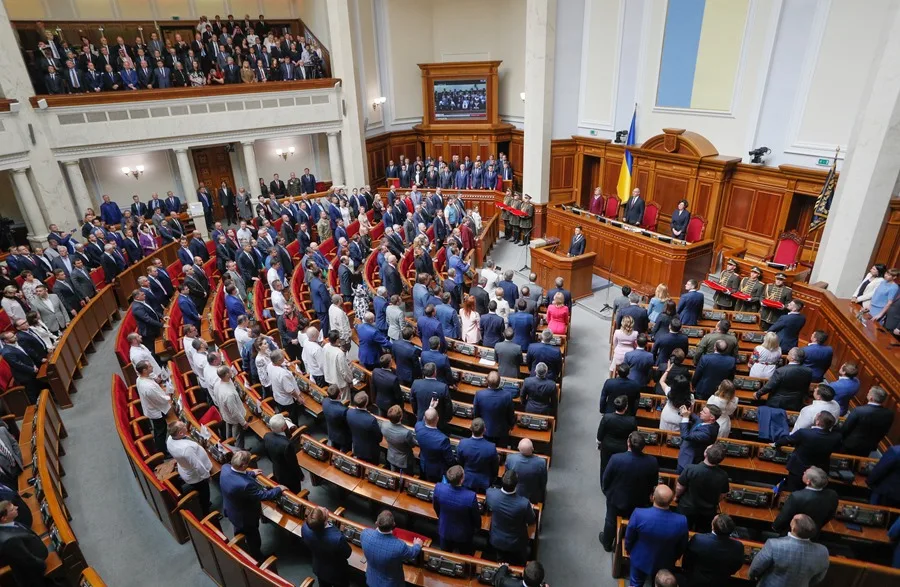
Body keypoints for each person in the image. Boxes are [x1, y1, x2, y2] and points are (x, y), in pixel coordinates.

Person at [219, 450, 285, 561]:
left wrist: (251, 473)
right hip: (245, 517)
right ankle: (258, 558)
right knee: (253, 537)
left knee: (239, 530)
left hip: (231, 510)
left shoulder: (225, 468)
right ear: (243, 465)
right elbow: (262, 495)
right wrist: (279, 489)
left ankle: (241, 543)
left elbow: (236, 475)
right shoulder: (245, 485)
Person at [600, 432, 659, 552]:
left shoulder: (616, 459)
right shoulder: (652, 462)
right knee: (633, 521)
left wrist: (607, 491)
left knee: (611, 520)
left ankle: (607, 542)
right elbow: (654, 482)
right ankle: (628, 541)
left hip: (616, 497)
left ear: (628, 443)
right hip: (639, 498)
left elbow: (606, 478)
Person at [624, 485, 689, 587]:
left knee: (636, 583)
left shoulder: (639, 514)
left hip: (640, 558)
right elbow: (682, 545)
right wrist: (674, 558)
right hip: (665, 561)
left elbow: (629, 537)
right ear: (671, 500)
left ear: (653, 497)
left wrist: (628, 549)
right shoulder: (681, 521)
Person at [748, 514, 829, 587]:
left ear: (793, 527)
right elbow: (818, 578)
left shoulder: (774, 545)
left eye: (793, 518)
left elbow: (755, 569)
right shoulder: (823, 551)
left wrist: (752, 578)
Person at [775, 411, 842, 491]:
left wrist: (776, 444)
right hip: (819, 470)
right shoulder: (837, 437)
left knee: (793, 490)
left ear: (817, 422)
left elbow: (788, 439)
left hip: (798, 468)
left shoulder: (804, 432)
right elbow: (837, 448)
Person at [360, 510, 424, 587]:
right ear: (394, 524)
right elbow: (412, 554)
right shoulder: (399, 546)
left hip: (371, 579)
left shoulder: (365, 533)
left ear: (376, 523)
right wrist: (417, 545)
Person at [486, 470, 536, 566]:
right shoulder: (524, 504)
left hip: (497, 539)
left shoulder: (490, 494)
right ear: (517, 484)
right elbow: (531, 522)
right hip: (516, 543)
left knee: (500, 561)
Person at [676, 443, 730, 531]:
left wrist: (676, 497)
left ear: (705, 453)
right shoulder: (723, 475)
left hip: (687, 508)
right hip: (707, 512)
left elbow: (679, 487)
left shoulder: (691, 469)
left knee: (681, 531)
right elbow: (722, 495)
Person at [772, 466, 838, 537]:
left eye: (805, 473)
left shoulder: (797, 497)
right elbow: (830, 515)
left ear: (808, 481)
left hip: (793, 533)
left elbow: (783, 518)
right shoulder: (832, 495)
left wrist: (775, 527)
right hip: (815, 534)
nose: (803, 472)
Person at [682, 514, 745, 587]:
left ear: (712, 526)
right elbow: (736, 566)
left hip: (696, 580)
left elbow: (687, 559)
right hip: (720, 582)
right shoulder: (738, 546)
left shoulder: (698, 539)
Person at [0, 500, 53, 586]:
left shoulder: (8, 524)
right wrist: (43, 565)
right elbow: (28, 560)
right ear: (4, 518)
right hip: (34, 576)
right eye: (12, 509)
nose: (17, 508)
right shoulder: (10, 541)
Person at [166, 421, 213, 515]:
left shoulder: (170, 439)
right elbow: (197, 465)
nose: (185, 424)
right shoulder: (186, 449)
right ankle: (206, 511)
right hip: (197, 476)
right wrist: (207, 476)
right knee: (204, 492)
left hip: (184, 468)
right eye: (183, 426)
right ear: (180, 433)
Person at [432, 465, 481, 554]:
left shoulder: (439, 488)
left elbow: (436, 507)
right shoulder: (470, 496)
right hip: (464, 534)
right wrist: (477, 528)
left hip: (445, 529)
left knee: (446, 556)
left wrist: (441, 517)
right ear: (462, 479)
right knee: (464, 556)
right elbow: (476, 517)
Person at [300, 506, 352, 587]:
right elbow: (347, 553)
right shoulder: (337, 538)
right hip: (337, 573)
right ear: (325, 520)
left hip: (319, 568)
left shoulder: (305, 528)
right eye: (324, 511)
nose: (324, 507)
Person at [840, 386, 895, 456]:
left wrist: (841, 437)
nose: (867, 394)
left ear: (871, 398)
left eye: (869, 393)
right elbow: (884, 432)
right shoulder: (889, 414)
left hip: (850, 444)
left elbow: (846, 428)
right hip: (869, 446)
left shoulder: (859, 410)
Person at [755, 347, 813, 411]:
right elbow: (806, 387)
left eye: (789, 353)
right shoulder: (808, 371)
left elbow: (770, 386)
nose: (788, 353)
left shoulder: (781, 371)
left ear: (792, 358)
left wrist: (758, 394)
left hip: (778, 403)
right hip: (796, 402)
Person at [135, 360, 172, 458]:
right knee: (161, 431)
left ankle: (159, 448)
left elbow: (152, 378)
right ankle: (163, 452)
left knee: (158, 430)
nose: (152, 367)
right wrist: (169, 396)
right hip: (156, 410)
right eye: (150, 367)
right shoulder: (148, 387)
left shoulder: (140, 378)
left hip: (151, 407)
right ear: (144, 370)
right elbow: (160, 400)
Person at [596, 395, 637, 478]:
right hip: (623, 447)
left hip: (607, 446)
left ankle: (604, 482)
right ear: (626, 407)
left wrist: (599, 443)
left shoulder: (607, 418)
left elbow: (600, 435)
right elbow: (634, 435)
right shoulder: (632, 421)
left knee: (605, 466)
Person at [263, 414, 305, 493]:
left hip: (277, 471)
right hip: (290, 477)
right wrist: (300, 475)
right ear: (283, 428)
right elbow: (293, 463)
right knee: (295, 492)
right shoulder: (287, 445)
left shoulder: (267, 436)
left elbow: (267, 454)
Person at [456, 418, 499, 493]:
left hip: (466, 479)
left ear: (470, 428)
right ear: (484, 430)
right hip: (484, 481)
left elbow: (460, 462)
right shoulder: (491, 447)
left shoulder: (463, 443)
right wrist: (493, 479)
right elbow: (495, 468)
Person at [473, 371, 515, 446]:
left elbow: (476, 413)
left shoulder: (479, 394)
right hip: (502, 432)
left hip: (484, 430)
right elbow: (511, 415)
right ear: (500, 382)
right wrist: (511, 426)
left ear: (487, 381)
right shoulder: (507, 396)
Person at [676, 404, 721, 473]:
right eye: (702, 410)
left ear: (712, 417)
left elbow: (685, 436)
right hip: (686, 451)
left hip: (689, 460)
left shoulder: (706, 433)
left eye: (704, 412)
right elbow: (697, 419)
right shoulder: (708, 422)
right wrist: (688, 412)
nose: (700, 412)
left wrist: (685, 417)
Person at [415, 408, 456, 482]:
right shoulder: (443, 439)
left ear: (424, 418)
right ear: (437, 419)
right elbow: (449, 459)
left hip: (424, 463)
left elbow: (420, 422)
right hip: (436, 471)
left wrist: (431, 407)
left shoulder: (418, 428)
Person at [504, 439, 548, 504]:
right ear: (533, 449)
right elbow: (543, 481)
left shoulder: (510, 458)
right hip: (533, 494)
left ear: (518, 448)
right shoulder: (541, 462)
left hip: (514, 490)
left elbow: (507, 474)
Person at [345, 392, 382, 465]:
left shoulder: (349, 412)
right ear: (366, 403)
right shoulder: (371, 420)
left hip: (357, 447)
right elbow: (379, 438)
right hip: (370, 452)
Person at [381, 405, 417, 474]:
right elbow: (412, 445)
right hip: (404, 461)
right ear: (401, 417)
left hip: (391, 456)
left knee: (394, 476)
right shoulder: (406, 433)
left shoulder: (383, 425)